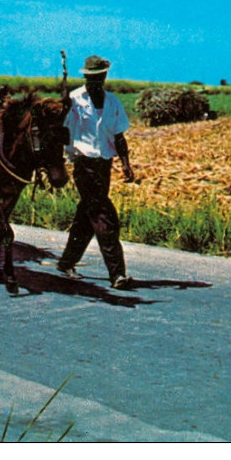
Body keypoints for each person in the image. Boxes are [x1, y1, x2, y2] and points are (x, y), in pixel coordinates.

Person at [56, 55, 136, 289]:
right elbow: (64, 131)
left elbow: (119, 136)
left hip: (104, 166)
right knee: (104, 216)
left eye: (99, 77)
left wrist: (126, 163)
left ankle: (66, 262)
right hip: (84, 165)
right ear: (84, 77)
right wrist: (65, 158)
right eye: (90, 77)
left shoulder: (113, 103)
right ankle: (117, 274)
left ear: (104, 76)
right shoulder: (74, 100)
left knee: (87, 217)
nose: (94, 81)